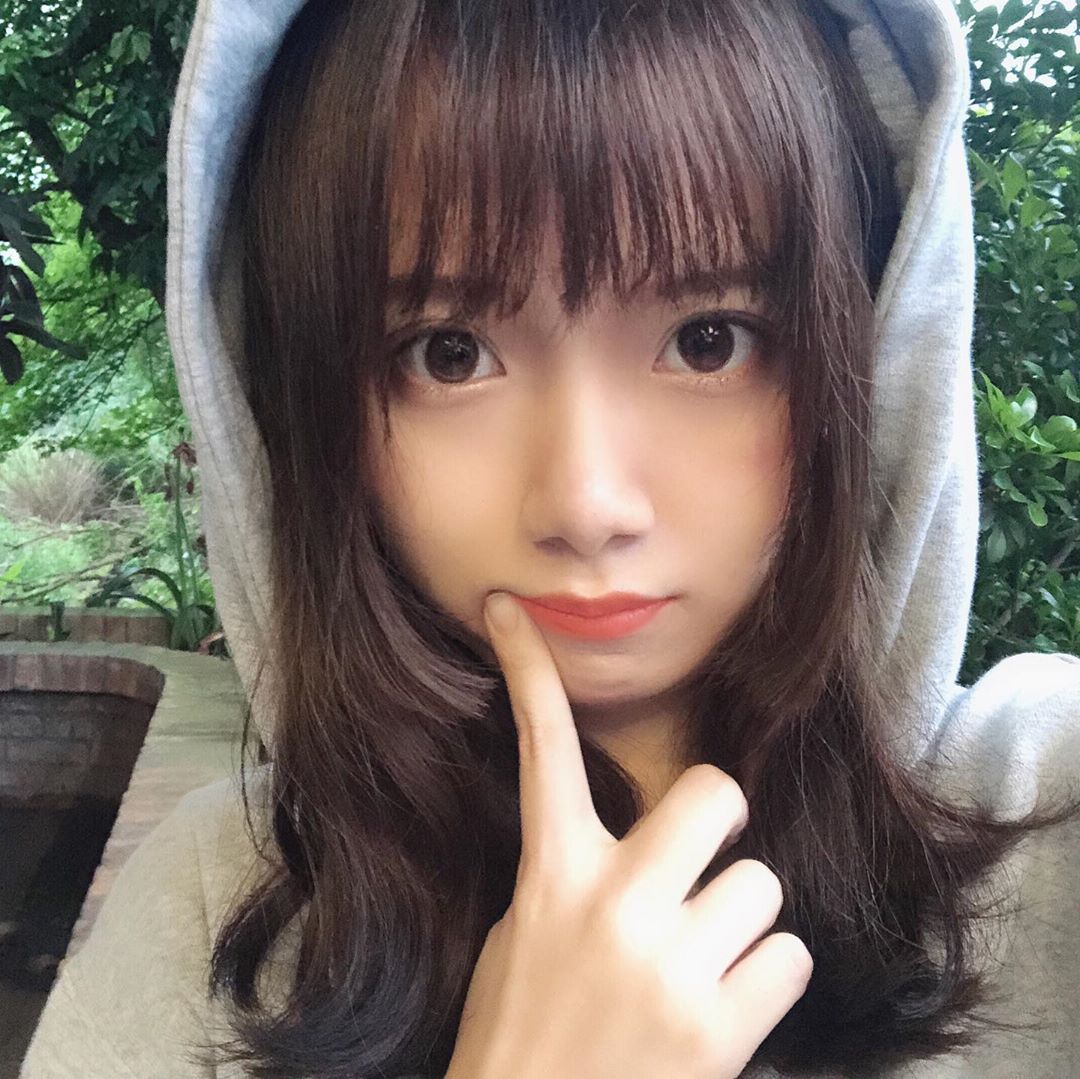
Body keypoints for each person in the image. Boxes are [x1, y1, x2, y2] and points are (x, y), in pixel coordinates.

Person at [20, 0, 1080, 1075]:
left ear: (868, 346)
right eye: (448, 354)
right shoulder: (207, 907)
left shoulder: (1051, 802)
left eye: (708, 340)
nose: (585, 504)